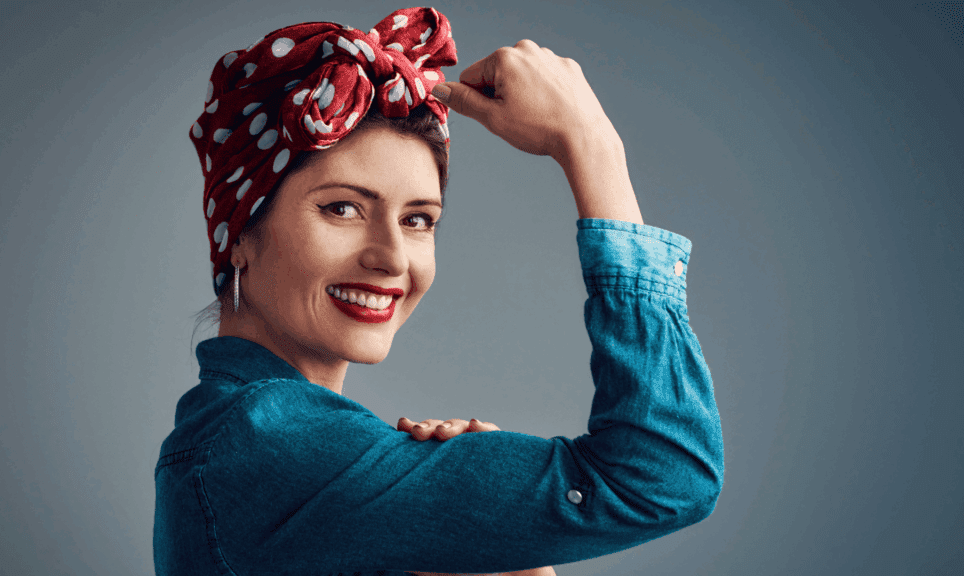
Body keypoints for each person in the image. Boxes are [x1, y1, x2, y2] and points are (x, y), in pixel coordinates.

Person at [154, 7, 724, 576]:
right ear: (239, 236)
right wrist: (593, 146)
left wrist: (514, 553)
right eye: (343, 208)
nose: (392, 257)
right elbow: (663, 472)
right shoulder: (268, 443)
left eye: (419, 220)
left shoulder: (263, 449)